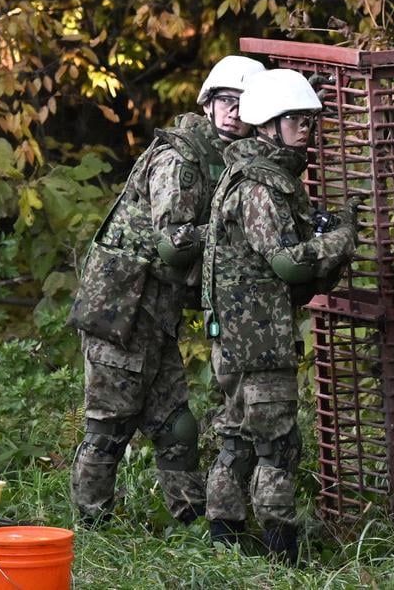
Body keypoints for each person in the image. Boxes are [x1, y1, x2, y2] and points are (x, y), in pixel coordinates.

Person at [68, 54, 265, 526]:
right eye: (226, 101)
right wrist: (230, 229)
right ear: (209, 103)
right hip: (125, 304)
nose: (234, 112)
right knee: (110, 422)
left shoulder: (226, 158)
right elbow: (174, 244)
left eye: (244, 103)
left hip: (156, 308)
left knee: (175, 423)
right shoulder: (182, 158)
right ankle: (91, 524)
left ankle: (190, 518)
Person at [201, 68, 358, 561]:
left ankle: (225, 543)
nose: (305, 128)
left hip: (239, 334)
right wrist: (341, 238)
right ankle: (281, 555)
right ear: (268, 124)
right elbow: (287, 263)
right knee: (275, 445)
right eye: (295, 120)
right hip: (257, 340)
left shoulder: (255, 174)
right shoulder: (261, 185)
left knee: (239, 437)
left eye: (308, 119)